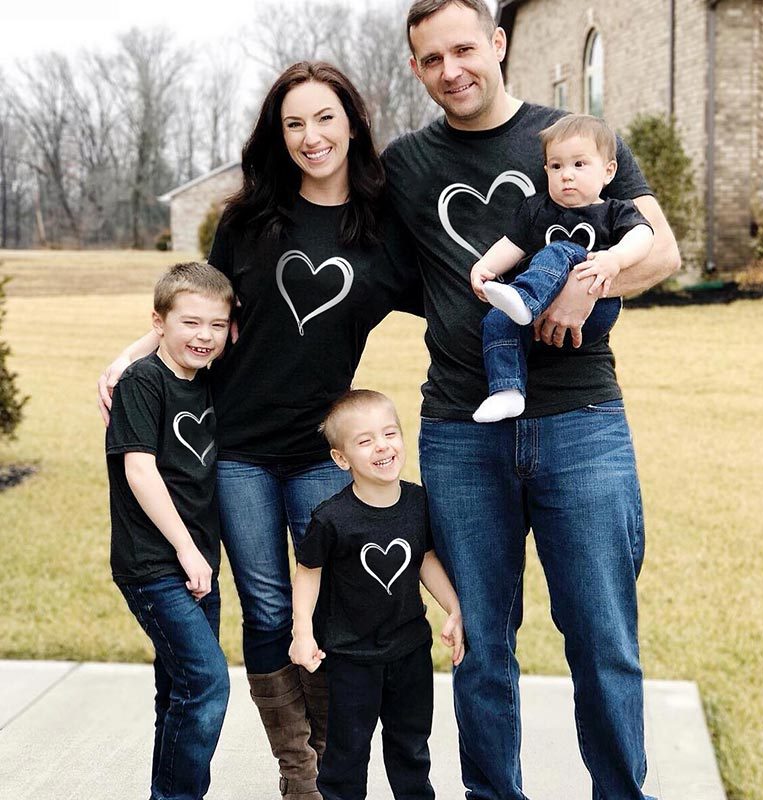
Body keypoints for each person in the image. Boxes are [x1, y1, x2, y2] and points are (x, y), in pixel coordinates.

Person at [382, 1, 681, 799]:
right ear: (416, 68)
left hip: (581, 422)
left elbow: (665, 246)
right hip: (459, 430)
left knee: (602, 639)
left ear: (498, 43)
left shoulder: (575, 136)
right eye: (432, 59)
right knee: (481, 645)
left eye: (464, 49)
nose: (452, 70)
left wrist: (591, 283)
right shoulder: (406, 164)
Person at [98, 62, 422, 800]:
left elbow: (456, 299)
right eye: (294, 123)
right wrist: (125, 357)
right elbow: (197, 304)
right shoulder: (251, 219)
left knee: (327, 605)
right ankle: (297, 771)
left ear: (353, 124)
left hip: (319, 454)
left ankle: (333, 761)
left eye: (325, 119)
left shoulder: (381, 233)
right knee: (270, 607)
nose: (311, 137)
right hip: (238, 451)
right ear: (279, 136)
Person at [289, 389, 464, 800]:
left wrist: (454, 607)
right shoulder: (331, 518)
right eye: (365, 441)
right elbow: (307, 573)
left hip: (409, 650)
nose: (382, 446)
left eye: (390, 433)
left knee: (411, 745)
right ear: (342, 458)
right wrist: (302, 633)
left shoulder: (418, 501)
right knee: (347, 753)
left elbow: (423, 559)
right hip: (351, 657)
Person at [106, 262, 233, 800]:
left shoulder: (206, 381)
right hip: (155, 565)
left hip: (197, 565)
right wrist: (187, 550)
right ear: (158, 323)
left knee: (177, 691)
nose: (204, 336)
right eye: (190, 323)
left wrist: (198, 557)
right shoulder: (142, 382)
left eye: (217, 325)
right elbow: (140, 470)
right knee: (207, 683)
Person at [470, 114, 654, 423]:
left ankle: (524, 300)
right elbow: (511, 244)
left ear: (608, 172)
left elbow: (644, 235)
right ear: (546, 171)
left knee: (562, 250)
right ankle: (507, 392)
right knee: (496, 320)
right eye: (556, 166)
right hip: (536, 321)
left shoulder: (613, 210)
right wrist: (484, 267)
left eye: (579, 165)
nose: (566, 175)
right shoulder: (537, 209)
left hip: (594, 310)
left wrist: (615, 259)